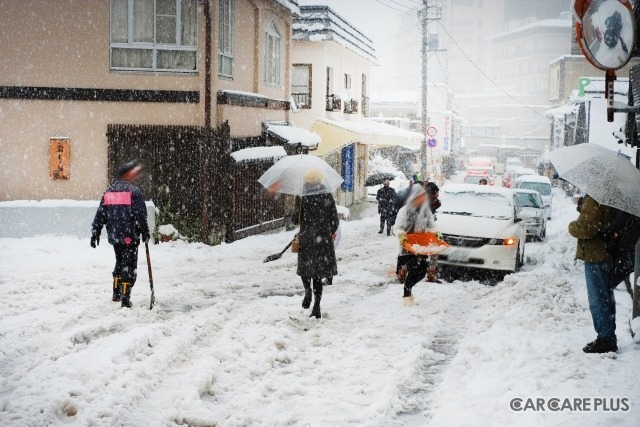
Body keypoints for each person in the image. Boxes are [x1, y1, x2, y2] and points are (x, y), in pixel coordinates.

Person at [91, 161, 150, 308]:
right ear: (127, 174)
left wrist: (95, 231)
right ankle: (125, 298)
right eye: (133, 173)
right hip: (130, 235)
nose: (135, 176)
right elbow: (140, 215)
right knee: (129, 265)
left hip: (115, 235)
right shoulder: (134, 192)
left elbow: (101, 214)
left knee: (119, 261)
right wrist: (145, 231)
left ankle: (116, 293)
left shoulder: (109, 192)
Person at [568, 194, 617, 353]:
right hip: (605, 254)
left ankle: (605, 339)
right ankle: (607, 336)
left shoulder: (596, 197)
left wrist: (572, 226)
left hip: (596, 255)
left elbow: (587, 228)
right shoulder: (608, 195)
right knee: (605, 298)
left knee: (598, 299)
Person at [292, 169, 340, 319]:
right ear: (320, 180)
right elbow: (334, 221)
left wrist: (301, 217)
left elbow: (295, 220)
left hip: (306, 237)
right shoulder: (327, 195)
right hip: (323, 239)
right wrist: (328, 230)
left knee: (306, 268)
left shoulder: (301, 196)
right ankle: (317, 306)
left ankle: (307, 290)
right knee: (318, 273)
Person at [393, 185, 436, 299]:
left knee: (422, 271)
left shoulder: (426, 211)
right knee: (413, 268)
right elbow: (397, 227)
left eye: (423, 196)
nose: (422, 199)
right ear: (414, 197)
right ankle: (407, 295)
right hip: (408, 246)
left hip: (421, 246)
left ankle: (408, 289)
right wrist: (401, 234)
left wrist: (436, 233)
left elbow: (432, 226)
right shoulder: (405, 210)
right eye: (420, 196)